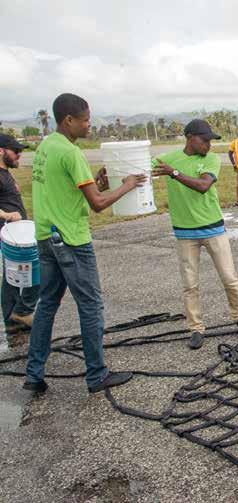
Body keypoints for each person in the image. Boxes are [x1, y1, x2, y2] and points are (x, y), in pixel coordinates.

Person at [24, 93, 147, 394]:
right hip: (71, 241)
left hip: (46, 237)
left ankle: (34, 373)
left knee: (47, 305)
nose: (90, 125)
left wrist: (95, 182)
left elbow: (67, 189)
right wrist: (127, 185)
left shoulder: (46, 146)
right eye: (86, 120)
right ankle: (96, 375)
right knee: (90, 305)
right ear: (69, 120)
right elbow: (98, 205)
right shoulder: (71, 152)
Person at [152, 119, 238, 350]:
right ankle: (196, 328)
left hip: (213, 228)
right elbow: (142, 169)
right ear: (190, 138)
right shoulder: (169, 160)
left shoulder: (210, 159)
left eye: (210, 140)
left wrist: (174, 173)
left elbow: (203, 186)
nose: (209, 144)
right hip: (185, 232)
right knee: (190, 284)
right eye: (205, 140)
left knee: (229, 277)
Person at [0, 134, 39, 333]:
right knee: (42, 268)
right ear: (1, 151)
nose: (19, 155)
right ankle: (22, 311)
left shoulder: (6, 173)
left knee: (11, 277)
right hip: (10, 237)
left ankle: (13, 319)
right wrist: (6, 214)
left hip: (17, 234)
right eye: (15, 151)